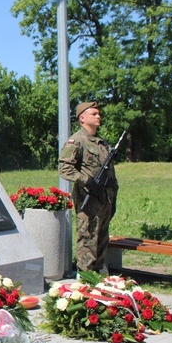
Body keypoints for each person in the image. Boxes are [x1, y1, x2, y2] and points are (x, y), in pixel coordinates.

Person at [59, 101, 118, 274]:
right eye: (94, 114)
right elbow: (65, 169)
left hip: (104, 198)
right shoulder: (76, 141)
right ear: (82, 118)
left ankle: (98, 275)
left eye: (99, 114)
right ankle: (85, 277)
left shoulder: (101, 142)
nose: (98, 116)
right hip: (88, 199)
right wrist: (85, 180)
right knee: (87, 238)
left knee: (102, 238)